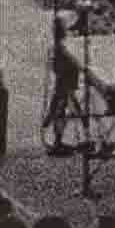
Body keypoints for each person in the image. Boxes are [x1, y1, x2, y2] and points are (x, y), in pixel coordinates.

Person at [44, 15, 79, 155]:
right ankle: (57, 143)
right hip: (64, 84)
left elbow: (56, 66)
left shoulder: (57, 47)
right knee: (60, 112)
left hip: (63, 83)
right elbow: (70, 64)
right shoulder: (60, 49)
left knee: (59, 111)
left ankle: (57, 141)